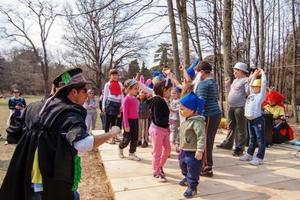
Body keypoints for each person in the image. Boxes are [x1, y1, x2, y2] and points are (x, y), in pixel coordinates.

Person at [0, 68, 121, 200]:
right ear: (74, 92)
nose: (87, 94)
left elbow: (13, 133)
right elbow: (83, 144)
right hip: (52, 184)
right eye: (84, 90)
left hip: (26, 180)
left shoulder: (33, 106)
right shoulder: (70, 112)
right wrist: (111, 133)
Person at [176, 92, 205, 198]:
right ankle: (187, 177)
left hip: (193, 152)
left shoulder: (197, 122)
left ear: (192, 110)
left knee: (193, 169)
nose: (180, 110)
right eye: (180, 108)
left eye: (183, 109)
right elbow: (180, 133)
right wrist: (178, 143)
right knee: (182, 165)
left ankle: (192, 187)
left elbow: (201, 137)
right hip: (184, 150)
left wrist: (200, 150)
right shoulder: (185, 121)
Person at [195, 61, 222, 177]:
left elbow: (201, 102)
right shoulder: (213, 82)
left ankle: (207, 168)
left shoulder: (203, 84)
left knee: (205, 141)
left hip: (209, 114)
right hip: (216, 114)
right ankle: (205, 164)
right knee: (209, 140)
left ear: (201, 72)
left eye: (197, 73)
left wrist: (196, 116)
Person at [217, 62, 249, 156]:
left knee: (241, 128)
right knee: (230, 126)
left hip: (240, 107)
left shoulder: (246, 80)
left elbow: (247, 92)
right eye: (234, 70)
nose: (234, 71)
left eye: (236, 70)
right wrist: (227, 85)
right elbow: (233, 92)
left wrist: (250, 81)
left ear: (242, 71)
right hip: (231, 106)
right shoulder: (235, 80)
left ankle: (239, 148)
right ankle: (228, 144)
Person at [240, 68, 267, 166]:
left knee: (260, 139)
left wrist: (262, 73)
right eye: (253, 86)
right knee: (251, 138)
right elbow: (250, 83)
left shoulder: (260, 95)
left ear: (259, 87)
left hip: (257, 120)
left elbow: (264, 84)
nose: (254, 87)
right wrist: (254, 75)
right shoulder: (251, 94)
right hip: (249, 119)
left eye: (256, 86)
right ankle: (249, 154)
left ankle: (259, 158)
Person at [148, 78, 172, 182]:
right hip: (157, 129)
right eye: (169, 90)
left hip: (164, 129)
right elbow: (158, 119)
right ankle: (155, 172)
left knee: (167, 149)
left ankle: (159, 166)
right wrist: (168, 122)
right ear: (163, 89)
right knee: (157, 152)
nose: (170, 93)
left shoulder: (162, 100)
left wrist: (167, 126)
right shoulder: (157, 100)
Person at [118, 79, 141, 161]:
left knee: (135, 137)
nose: (137, 90)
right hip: (128, 121)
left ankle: (132, 153)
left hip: (135, 121)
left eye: (137, 88)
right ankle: (121, 147)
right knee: (127, 139)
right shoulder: (126, 99)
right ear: (129, 89)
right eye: (135, 88)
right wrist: (126, 125)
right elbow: (125, 114)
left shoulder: (134, 98)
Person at [102, 69, 124, 144]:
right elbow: (105, 95)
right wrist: (103, 106)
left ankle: (114, 136)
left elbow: (122, 95)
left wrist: (122, 105)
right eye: (113, 75)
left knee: (115, 121)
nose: (115, 76)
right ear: (110, 76)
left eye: (116, 75)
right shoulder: (107, 84)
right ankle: (106, 137)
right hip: (110, 103)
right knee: (108, 121)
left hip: (117, 104)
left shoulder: (120, 84)